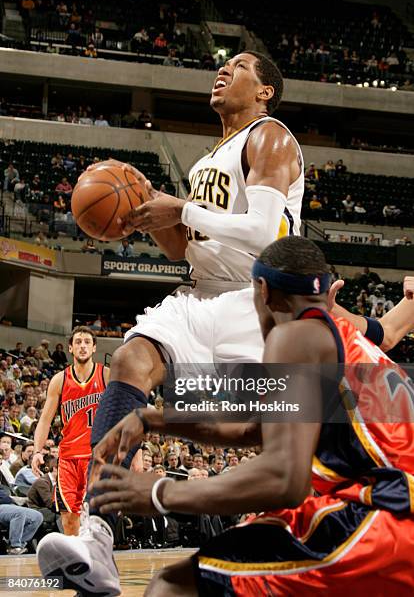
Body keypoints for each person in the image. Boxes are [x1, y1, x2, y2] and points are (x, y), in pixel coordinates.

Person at [37, 50, 304, 592]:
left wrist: (178, 207)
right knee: (131, 359)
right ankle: (98, 533)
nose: (224, 69)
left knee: (285, 442)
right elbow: (191, 248)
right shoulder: (210, 161)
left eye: (241, 66)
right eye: (223, 64)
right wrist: (144, 214)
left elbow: (265, 232)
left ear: (264, 91)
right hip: (203, 295)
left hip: (260, 300)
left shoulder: (270, 136)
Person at [84, 236, 414, 595]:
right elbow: (250, 429)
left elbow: (285, 480)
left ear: (262, 289)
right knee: (239, 544)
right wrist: (157, 419)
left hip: (386, 521)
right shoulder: (348, 342)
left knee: (172, 586)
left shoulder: (295, 336)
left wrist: (162, 493)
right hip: (387, 513)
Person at [32, 327, 109, 535]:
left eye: (86, 342)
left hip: (96, 457)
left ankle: (95, 559)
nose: (82, 346)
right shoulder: (59, 380)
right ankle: (76, 562)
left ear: (94, 348)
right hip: (68, 458)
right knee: (68, 518)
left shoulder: (106, 375)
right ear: (70, 347)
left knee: (93, 516)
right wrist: (37, 451)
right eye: (78, 342)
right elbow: (45, 420)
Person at [0, 484, 43, 555]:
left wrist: (16, 499)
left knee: (37, 516)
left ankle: (18, 545)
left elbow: (5, 496)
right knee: (19, 513)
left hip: (9, 505)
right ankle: (15, 546)